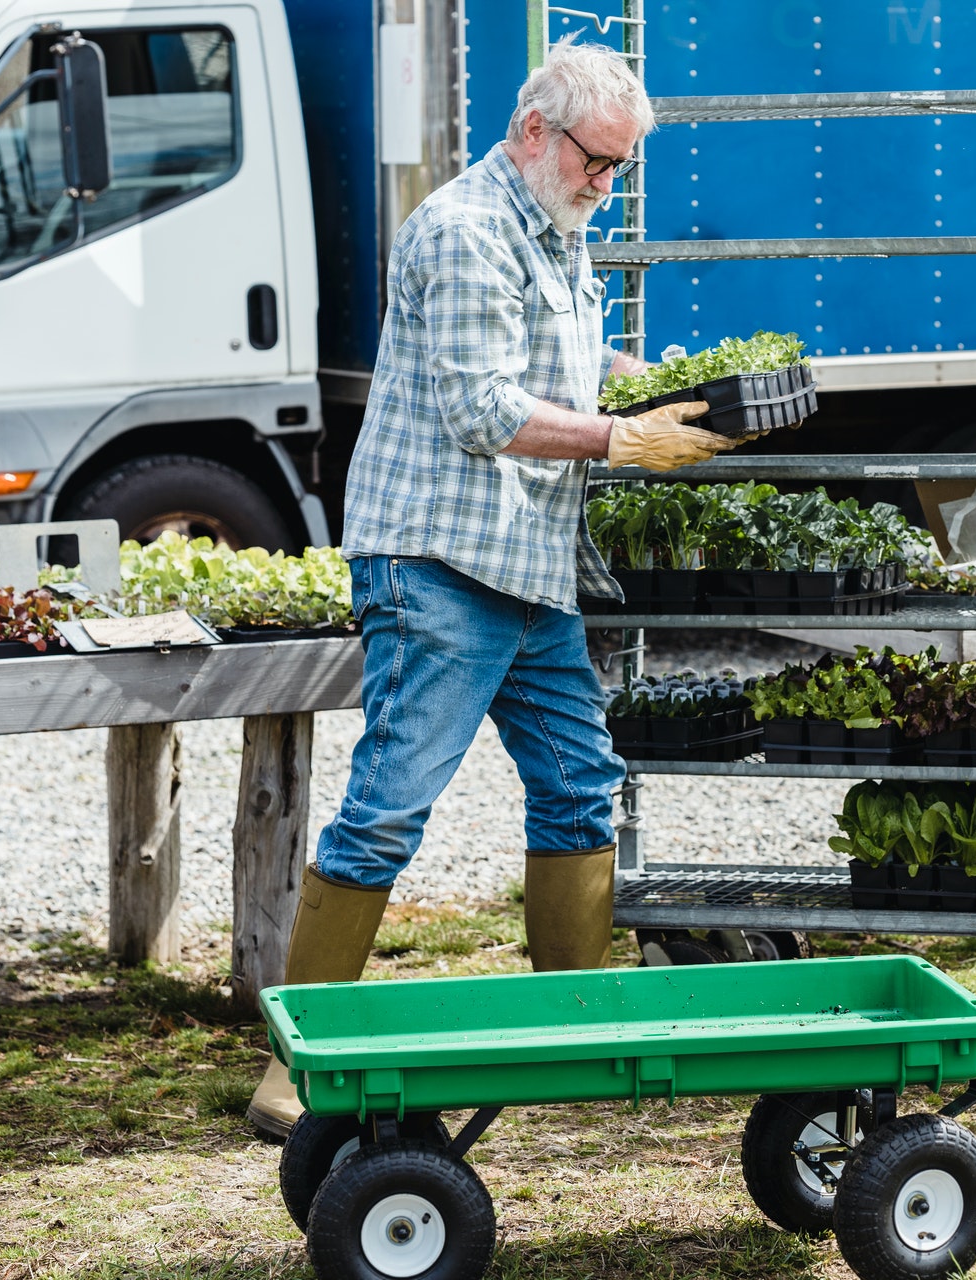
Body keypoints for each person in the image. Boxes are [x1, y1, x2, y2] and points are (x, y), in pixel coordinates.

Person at [247, 36, 738, 1139]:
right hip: (440, 564)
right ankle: (293, 1063)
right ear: (533, 132)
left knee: (577, 783)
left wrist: (647, 388)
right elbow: (480, 408)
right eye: (596, 164)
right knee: (389, 808)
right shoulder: (468, 231)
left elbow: (547, 363)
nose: (605, 189)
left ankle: (574, 1029)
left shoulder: (552, 233)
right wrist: (620, 438)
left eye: (618, 170)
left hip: (527, 563)